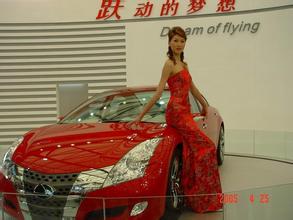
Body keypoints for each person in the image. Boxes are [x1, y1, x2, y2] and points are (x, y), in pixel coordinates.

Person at [130, 26, 223, 213]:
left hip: (187, 112)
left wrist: (205, 105)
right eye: (175, 40)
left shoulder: (185, 65)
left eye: (182, 41)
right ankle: (201, 199)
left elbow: (193, 89)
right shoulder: (169, 64)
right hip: (176, 112)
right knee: (208, 147)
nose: (179, 44)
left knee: (191, 152)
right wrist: (139, 116)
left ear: (185, 43)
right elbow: (158, 93)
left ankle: (198, 198)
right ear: (169, 42)